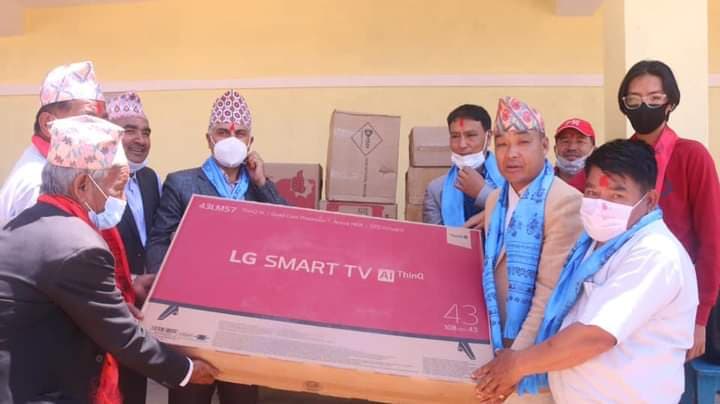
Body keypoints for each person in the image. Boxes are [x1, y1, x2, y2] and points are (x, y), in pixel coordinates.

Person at [0, 115, 218, 404]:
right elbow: (123, 337)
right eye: (116, 188)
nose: (118, 200)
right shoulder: (79, 245)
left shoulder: (25, 223)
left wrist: (113, 301)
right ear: (82, 184)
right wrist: (186, 370)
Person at [473, 139, 698, 404]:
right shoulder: (594, 244)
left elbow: (595, 336)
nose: (601, 205)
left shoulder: (654, 253)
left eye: (616, 196)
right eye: (592, 193)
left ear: (649, 201)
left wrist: (518, 364)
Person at [146, 90, 286, 404]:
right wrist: (163, 296)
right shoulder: (182, 183)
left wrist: (262, 183)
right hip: (192, 317)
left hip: (244, 316)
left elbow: (289, 229)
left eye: (240, 133)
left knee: (241, 396)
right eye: (223, 132)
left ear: (251, 141)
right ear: (208, 139)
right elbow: (158, 240)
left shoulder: (259, 187)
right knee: (190, 396)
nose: (231, 139)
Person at [467, 96, 583, 403]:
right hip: (496, 348)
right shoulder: (496, 200)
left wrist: (513, 365)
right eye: (502, 144)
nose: (512, 154)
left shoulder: (565, 202)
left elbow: (549, 293)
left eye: (523, 142)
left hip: (533, 358)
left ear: (543, 145)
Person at [617, 60, 720, 360]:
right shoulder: (619, 158)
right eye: (634, 99)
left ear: (670, 103)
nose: (643, 106)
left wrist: (701, 318)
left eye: (654, 98)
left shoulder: (692, 156)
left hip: (679, 298)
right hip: (626, 294)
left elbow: (712, 239)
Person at [0, 61, 107, 223]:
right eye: (88, 120)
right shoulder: (38, 185)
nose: (101, 131)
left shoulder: (61, 172)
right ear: (48, 124)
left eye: (103, 121)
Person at [106, 91, 161, 404]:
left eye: (146, 132)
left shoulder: (151, 179)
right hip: (109, 303)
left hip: (142, 306)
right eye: (130, 130)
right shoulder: (97, 181)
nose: (141, 140)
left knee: (135, 386)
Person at [423, 104, 505, 226]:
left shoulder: (512, 180)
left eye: (471, 135)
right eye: (455, 136)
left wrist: (482, 193)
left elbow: (524, 217)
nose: (462, 144)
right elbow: (433, 237)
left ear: (488, 138)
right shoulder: (436, 190)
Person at [552, 118, 595, 192]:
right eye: (565, 141)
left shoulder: (600, 185)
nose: (572, 148)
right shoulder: (541, 181)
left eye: (580, 141)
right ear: (555, 149)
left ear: (593, 150)